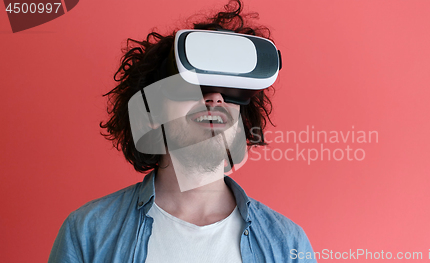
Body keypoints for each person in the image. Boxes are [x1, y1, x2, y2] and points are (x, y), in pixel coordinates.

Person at [48, 1, 316, 262]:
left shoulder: (288, 244)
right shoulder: (88, 233)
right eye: (195, 86)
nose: (215, 99)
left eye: (231, 92)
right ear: (151, 113)